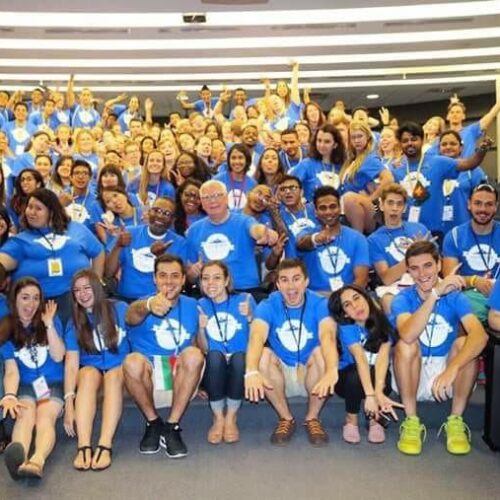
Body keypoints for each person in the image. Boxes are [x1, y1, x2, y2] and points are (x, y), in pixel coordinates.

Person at [391, 241, 488, 455]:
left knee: (465, 344)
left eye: (427, 265)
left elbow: (480, 336)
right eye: (414, 268)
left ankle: (455, 421)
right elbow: (407, 333)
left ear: (438, 264)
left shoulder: (455, 297)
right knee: (405, 345)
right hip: (410, 370)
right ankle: (411, 421)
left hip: (445, 372)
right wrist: (434, 295)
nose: (422, 273)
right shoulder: (403, 299)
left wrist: (452, 368)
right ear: (408, 270)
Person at [244, 259, 338, 446]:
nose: (291, 286)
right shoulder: (268, 305)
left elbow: (328, 335)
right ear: (278, 284)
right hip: (281, 376)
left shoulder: (320, 303)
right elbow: (256, 336)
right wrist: (251, 371)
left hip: (312, 374)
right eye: (284, 280)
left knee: (321, 352)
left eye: (296, 279)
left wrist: (332, 370)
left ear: (306, 281)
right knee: (262, 355)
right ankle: (286, 418)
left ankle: (312, 418)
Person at [123, 254, 204, 458]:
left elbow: (196, 344)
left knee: (194, 354)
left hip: (181, 381)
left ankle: (172, 426)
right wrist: (149, 305)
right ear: (154, 279)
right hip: (147, 383)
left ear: (184, 279)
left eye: (175, 276)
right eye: (163, 276)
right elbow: (131, 315)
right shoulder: (142, 304)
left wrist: (202, 383)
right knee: (131, 362)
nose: (169, 281)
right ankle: (153, 422)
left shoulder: (193, 306)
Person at [0, 188, 104, 324]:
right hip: (37, 304)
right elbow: (3, 262)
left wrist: (96, 283)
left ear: (52, 212)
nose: (32, 212)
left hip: (76, 299)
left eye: (38, 208)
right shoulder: (20, 241)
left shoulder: (76, 229)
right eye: (29, 207)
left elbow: (98, 251)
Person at [64, 270, 130, 471]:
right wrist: (68, 403)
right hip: (92, 376)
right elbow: (72, 364)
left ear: (97, 288)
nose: (82, 294)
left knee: (114, 374)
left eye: (87, 288)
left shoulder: (120, 309)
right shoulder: (73, 322)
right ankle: (83, 445)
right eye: (77, 290)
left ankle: (104, 444)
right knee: (87, 373)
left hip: (120, 375)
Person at [0, 277, 65, 480]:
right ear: (14, 300)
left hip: (51, 385)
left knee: (45, 417)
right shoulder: (6, 330)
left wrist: (49, 325)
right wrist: (10, 395)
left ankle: (37, 461)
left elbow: (58, 355)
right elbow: (11, 371)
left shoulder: (51, 322)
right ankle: (20, 461)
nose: (31, 304)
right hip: (27, 386)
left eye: (36, 298)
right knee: (24, 416)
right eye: (25, 298)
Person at [391, 122, 492, 244]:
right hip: (407, 233)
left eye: (414, 139)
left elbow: (468, 164)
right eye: (405, 140)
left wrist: (482, 151)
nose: (410, 143)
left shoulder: (437, 162)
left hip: (435, 231)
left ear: (422, 141)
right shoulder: (396, 170)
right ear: (400, 144)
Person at [329, 285, 403, 444]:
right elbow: (360, 358)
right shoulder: (347, 327)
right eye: (347, 305)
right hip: (348, 380)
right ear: (345, 314)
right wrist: (370, 395)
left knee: (381, 374)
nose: (355, 306)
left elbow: (383, 358)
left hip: (377, 376)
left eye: (357, 298)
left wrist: (377, 393)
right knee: (355, 376)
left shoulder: (387, 321)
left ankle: (374, 420)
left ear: (366, 298)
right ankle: (351, 419)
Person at [186, 180, 278, 298]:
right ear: (202, 204)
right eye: (206, 197)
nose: (212, 200)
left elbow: (256, 229)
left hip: (244, 290)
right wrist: (193, 274)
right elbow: (189, 276)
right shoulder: (194, 230)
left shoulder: (244, 221)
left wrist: (265, 233)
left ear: (227, 199)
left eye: (217, 195)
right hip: (209, 293)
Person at [197, 261, 255, 444]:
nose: (210, 283)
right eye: (205, 278)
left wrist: (250, 318)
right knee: (214, 355)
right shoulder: (199, 305)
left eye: (216, 278)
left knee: (239, 357)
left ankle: (231, 416)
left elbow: (257, 341)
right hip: (214, 367)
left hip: (241, 365)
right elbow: (204, 349)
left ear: (226, 280)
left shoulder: (245, 299)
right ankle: (218, 417)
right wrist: (200, 330)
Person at [105, 196, 186, 302]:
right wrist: (118, 246)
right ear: (149, 212)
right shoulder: (129, 233)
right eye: (156, 210)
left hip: (160, 300)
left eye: (166, 213)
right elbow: (108, 272)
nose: (160, 216)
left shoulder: (180, 243)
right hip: (126, 299)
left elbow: (177, 282)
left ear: (173, 220)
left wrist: (161, 257)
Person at [442, 183, 500, 324]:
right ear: (469, 204)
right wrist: (474, 281)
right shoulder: (454, 236)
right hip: (469, 298)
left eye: (488, 204)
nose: (482, 209)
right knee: (456, 308)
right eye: (478, 203)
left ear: (496, 207)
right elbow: (449, 279)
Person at [296, 186, 370, 294]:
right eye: (322, 208)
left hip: (349, 297)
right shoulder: (306, 233)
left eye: (333, 206)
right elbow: (301, 244)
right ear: (315, 212)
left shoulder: (357, 238)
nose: (328, 212)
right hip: (315, 298)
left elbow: (361, 280)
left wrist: (342, 299)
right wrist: (316, 239)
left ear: (340, 208)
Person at [368, 183, 429, 311]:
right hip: (395, 287)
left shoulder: (420, 229)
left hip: (424, 279)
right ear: (381, 205)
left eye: (399, 204)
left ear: (405, 208)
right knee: (388, 302)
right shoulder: (374, 240)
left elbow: (436, 263)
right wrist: (413, 255)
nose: (394, 208)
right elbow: (387, 278)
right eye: (390, 203)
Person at [340, 121, 394, 234]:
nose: (357, 140)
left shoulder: (369, 159)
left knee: (349, 198)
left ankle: (359, 239)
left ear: (368, 137)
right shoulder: (351, 161)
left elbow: (388, 179)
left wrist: (370, 199)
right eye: (353, 137)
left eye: (360, 136)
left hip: (363, 209)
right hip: (348, 210)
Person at [290, 124, 346, 201]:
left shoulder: (343, 167)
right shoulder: (306, 165)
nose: (322, 145)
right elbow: (289, 186)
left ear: (335, 145)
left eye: (327, 142)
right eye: (319, 140)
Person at [214, 144, 257, 211]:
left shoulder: (253, 184)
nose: (237, 161)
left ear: (247, 160)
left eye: (240, 158)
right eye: (233, 158)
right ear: (228, 160)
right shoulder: (217, 181)